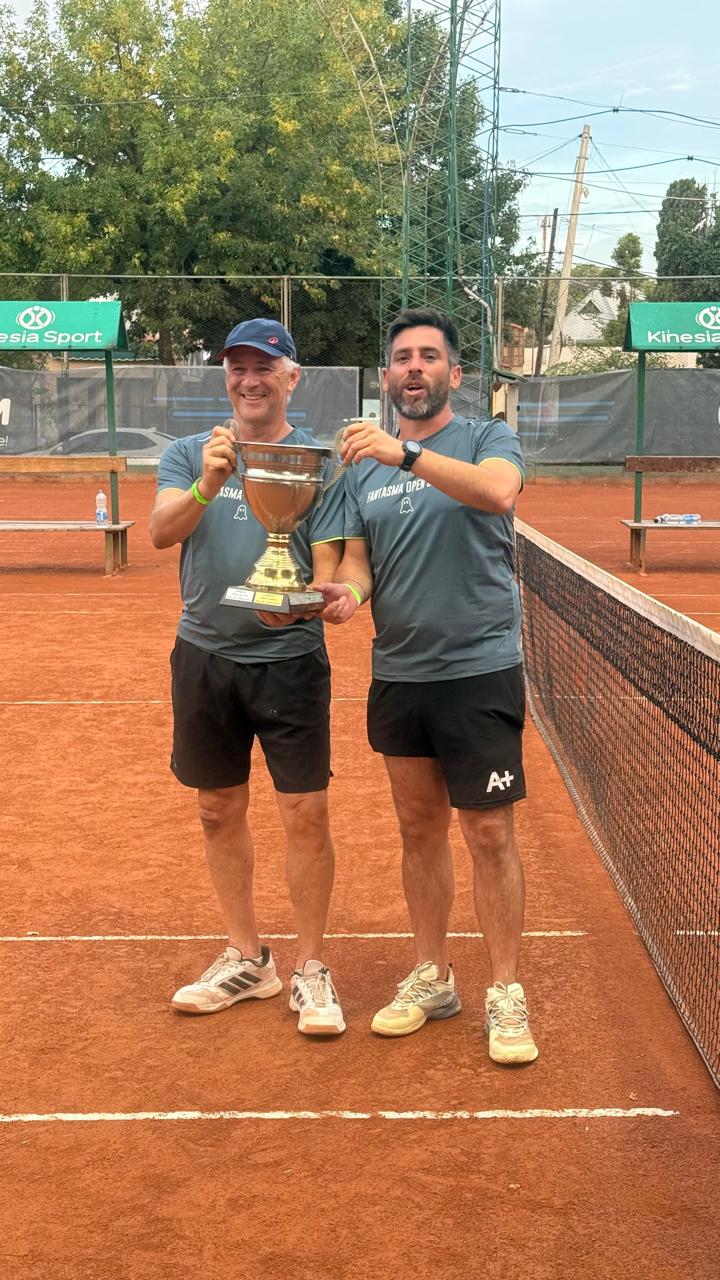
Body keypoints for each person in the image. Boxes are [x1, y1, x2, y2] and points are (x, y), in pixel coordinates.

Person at [319, 306, 538, 1064]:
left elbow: (498, 494)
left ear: (454, 373)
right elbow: (358, 561)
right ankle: (432, 975)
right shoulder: (359, 470)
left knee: (490, 834)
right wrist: (348, 595)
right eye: (403, 358)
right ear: (387, 377)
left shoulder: (487, 439)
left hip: (480, 669)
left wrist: (404, 454)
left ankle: (505, 988)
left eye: (429, 356)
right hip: (400, 674)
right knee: (419, 830)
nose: (415, 367)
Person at [149, 317, 347, 1036]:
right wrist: (209, 482)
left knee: (306, 814)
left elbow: (328, 557)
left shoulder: (320, 462)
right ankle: (247, 957)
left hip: (289, 662)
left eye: (264, 366)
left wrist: (311, 600)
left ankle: (311, 966)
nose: (249, 379)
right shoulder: (189, 453)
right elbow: (161, 531)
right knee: (216, 809)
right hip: (204, 658)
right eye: (237, 367)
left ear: (292, 376)